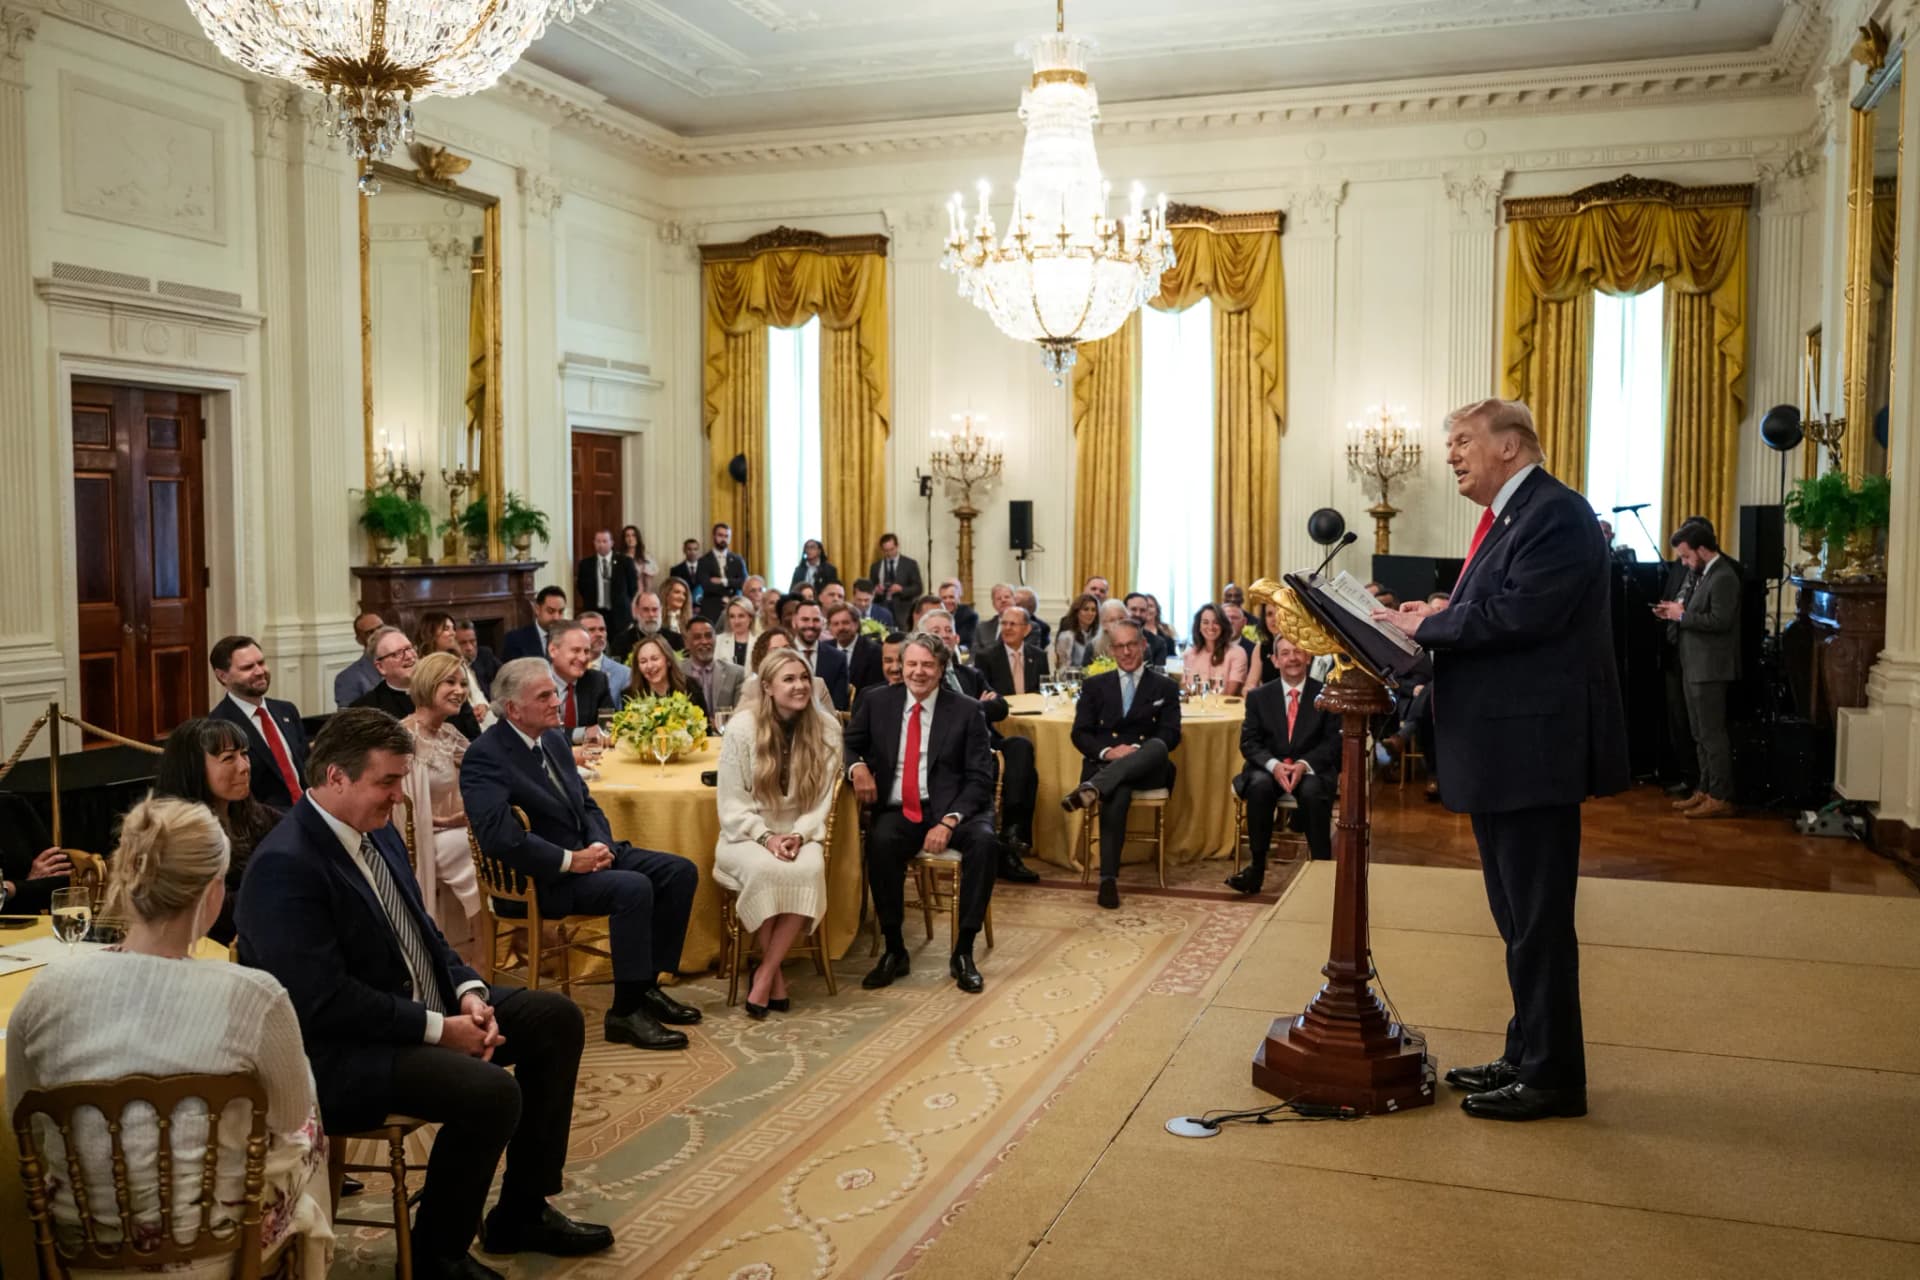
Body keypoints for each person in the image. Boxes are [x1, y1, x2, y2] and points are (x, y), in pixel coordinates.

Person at [239, 710, 612, 1279]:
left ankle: (522, 1212)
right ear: (336, 778)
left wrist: (466, 990)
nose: (398, 797)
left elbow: (422, 928)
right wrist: (440, 1031)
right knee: (489, 1093)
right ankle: (436, 1254)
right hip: (342, 1053)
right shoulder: (286, 865)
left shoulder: (377, 827)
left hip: (419, 1006)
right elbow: (324, 1001)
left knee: (555, 1019)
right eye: (387, 783)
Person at [1371, 397, 1628, 1123]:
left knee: (1538, 920)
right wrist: (1438, 614)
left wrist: (1429, 623)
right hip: (1506, 749)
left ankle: (1552, 1077)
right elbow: (1496, 606)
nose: (1451, 454)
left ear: (1511, 446)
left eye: (1462, 441)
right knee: (1519, 918)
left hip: (1532, 750)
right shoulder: (1515, 515)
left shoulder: (1555, 513)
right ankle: (1525, 1053)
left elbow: (1524, 614)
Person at [10, 796, 334, 1279]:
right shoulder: (254, 996)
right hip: (215, 1251)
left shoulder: (43, 994)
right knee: (307, 1133)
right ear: (212, 893)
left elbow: (21, 1115)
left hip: (82, 1249)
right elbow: (289, 1117)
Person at [459, 662, 702, 1054]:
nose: (557, 701)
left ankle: (645, 987)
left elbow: (587, 804)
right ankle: (624, 1013)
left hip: (587, 857)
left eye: (553, 692)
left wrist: (598, 846)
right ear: (513, 709)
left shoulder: (552, 739)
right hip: (540, 880)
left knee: (679, 872)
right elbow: (500, 839)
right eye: (544, 696)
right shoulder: (484, 756)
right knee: (634, 889)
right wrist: (572, 860)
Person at [845, 632, 998, 994]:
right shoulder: (876, 701)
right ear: (901, 665)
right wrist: (857, 769)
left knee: (985, 843)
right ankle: (895, 948)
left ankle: (963, 951)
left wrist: (949, 821)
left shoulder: (965, 709)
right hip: (900, 807)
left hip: (953, 806)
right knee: (880, 842)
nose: (918, 672)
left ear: (941, 668)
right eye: (911, 663)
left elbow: (980, 777)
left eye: (927, 665)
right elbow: (846, 744)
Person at [714, 649, 843, 1017]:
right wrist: (765, 836)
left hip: (803, 832)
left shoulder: (828, 729)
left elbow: (821, 804)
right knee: (765, 870)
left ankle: (766, 970)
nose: (800, 686)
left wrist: (799, 835)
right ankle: (775, 979)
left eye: (803, 678)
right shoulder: (742, 728)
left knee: (808, 870)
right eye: (789, 679)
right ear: (767, 687)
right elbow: (732, 803)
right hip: (745, 833)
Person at [1063, 619, 1182, 910]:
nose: (1126, 652)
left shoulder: (1165, 686)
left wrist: (1135, 751)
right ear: (1111, 651)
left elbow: (1171, 734)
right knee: (1117, 792)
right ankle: (1108, 881)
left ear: (1143, 645)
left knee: (1156, 745)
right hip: (1105, 763)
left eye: (1132, 645)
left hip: (1149, 766)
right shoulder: (1094, 685)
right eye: (1120, 646)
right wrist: (1107, 752)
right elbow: (1080, 732)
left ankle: (1092, 789)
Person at [921, 609, 1041, 882]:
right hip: (953, 751)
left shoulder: (968, 674)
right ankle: (1005, 849)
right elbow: (946, 717)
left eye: (946, 631)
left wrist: (980, 707)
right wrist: (978, 705)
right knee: (1019, 775)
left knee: (1021, 747)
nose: (942, 636)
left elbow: (999, 707)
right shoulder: (924, 678)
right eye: (934, 631)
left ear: (956, 637)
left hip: (987, 741)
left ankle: (1010, 835)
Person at [152, 717, 283, 944]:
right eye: (228, 758)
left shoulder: (255, 814)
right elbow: (218, 912)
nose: (244, 767)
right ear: (194, 769)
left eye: (244, 754)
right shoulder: (177, 833)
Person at [1227, 636, 1339, 893]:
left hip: (1310, 768)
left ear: (1308, 656)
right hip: (1269, 767)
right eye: (1285, 653)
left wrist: (1303, 764)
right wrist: (1274, 765)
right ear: (1275, 660)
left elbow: (1333, 743)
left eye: (1298, 651)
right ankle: (1256, 868)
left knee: (1312, 790)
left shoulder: (1326, 694)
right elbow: (1249, 743)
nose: (1292, 658)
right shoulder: (1258, 697)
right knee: (1259, 785)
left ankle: (1322, 867)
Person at [399, 652, 486, 965]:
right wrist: (447, 819)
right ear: (427, 684)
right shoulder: (405, 737)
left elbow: (485, 768)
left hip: (452, 829)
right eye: (450, 682)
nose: (460, 690)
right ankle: (481, 954)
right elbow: (400, 805)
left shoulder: (449, 734)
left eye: (463, 683)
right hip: (421, 838)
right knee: (475, 849)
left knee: (496, 838)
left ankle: (496, 941)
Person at [1654, 523, 1740, 819]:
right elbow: (1691, 608)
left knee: (1712, 734)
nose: (1684, 563)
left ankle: (1720, 795)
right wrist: (1673, 610)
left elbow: (1720, 621)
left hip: (1711, 668)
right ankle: (1704, 789)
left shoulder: (1724, 576)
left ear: (1703, 550)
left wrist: (1684, 616)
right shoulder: (1701, 573)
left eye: (1686, 556)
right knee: (1698, 733)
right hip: (1693, 665)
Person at [208, 633, 311, 810]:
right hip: (264, 824)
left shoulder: (286, 710)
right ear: (222, 676)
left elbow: (307, 768)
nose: (259, 671)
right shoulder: (218, 725)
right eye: (248, 667)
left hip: (309, 810)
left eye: (261, 663)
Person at [355, 626, 482, 740]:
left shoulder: (447, 688)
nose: (409, 656)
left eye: (409, 648)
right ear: (380, 667)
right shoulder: (368, 709)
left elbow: (475, 739)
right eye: (398, 653)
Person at [547, 621, 617, 749]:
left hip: (590, 758)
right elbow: (544, 733)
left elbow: (608, 725)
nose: (583, 658)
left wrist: (604, 730)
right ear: (553, 650)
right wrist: (583, 733)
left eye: (586, 651)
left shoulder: (597, 680)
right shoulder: (537, 683)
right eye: (576, 650)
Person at [0, 792, 70, 914]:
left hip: (26, 927)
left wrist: (12, 888)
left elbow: (59, 886)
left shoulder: (12, 805)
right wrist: (26, 886)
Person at [576, 530, 641, 656]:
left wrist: (622, 601)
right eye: (598, 541)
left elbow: (633, 587)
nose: (601, 544)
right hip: (595, 612)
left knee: (620, 647)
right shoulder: (586, 564)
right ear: (594, 543)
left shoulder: (625, 561)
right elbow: (582, 588)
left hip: (619, 614)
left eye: (605, 541)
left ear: (612, 543)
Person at [791, 600, 851, 710]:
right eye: (805, 620)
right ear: (794, 622)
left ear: (823, 623)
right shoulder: (782, 654)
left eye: (816, 620)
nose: (811, 625)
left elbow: (838, 705)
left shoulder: (838, 658)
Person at [630, 632, 708, 716]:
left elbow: (706, 726)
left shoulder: (691, 687)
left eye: (655, 659)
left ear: (668, 661)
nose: (649, 666)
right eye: (643, 661)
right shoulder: (630, 694)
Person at [977, 606, 1048, 697]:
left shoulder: (1039, 656)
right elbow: (984, 694)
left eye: (1013, 624)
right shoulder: (985, 657)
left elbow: (1045, 690)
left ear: (1026, 629)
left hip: (1035, 709)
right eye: (1004, 623)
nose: (1007, 628)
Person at [683, 615, 746, 715]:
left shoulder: (736, 674)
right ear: (687, 642)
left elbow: (741, 714)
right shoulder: (677, 671)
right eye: (697, 637)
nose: (704, 641)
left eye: (708, 636)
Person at [1183, 604, 1249, 696]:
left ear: (1223, 625)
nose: (1211, 627)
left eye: (1216, 622)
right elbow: (1187, 690)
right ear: (1199, 626)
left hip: (1225, 708)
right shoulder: (1190, 653)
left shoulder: (1237, 653)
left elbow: (1229, 694)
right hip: (1196, 708)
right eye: (1205, 622)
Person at [826, 603, 884, 693]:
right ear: (829, 627)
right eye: (835, 624)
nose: (840, 628)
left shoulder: (874, 652)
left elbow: (875, 689)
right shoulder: (825, 650)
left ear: (856, 624)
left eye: (845, 623)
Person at [696, 523, 749, 622]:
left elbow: (744, 582)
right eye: (720, 535)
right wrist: (731, 586)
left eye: (727, 536)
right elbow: (707, 585)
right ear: (714, 536)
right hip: (711, 608)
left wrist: (723, 581)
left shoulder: (738, 559)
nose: (724, 539)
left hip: (735, 605)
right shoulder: (703, 561)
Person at [578, 610, 630, 705]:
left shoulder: (624, 674)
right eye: (592, 630)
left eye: (602, 629)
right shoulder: (569, 670)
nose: (599, 634)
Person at [503, 587, 569, 662]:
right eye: (550, 611)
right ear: (537, 609)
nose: (556, 618)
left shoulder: (568, 637)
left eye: (560, 612)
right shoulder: (515, 639)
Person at [336, 610, 386, 708]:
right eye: (370, 632)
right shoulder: (348, 678)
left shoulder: (406, 663)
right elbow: (349, 719)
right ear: (359, 640)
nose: (378, 634)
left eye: (381, 628)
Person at [866, 533, 923, 611]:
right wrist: (875, 590)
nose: (889, 553)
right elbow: (870, 590)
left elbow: (918, 588)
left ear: (897, 546)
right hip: (882, 608)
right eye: (886, 551)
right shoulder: (875, 567)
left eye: (892, 549)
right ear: (882, 550)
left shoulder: (910, 564)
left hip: (904, 611)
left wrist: (901, 589)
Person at [455, 619, 502, 701]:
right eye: (463, 643)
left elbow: (504, 675)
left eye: (472, 641)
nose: (469, 648)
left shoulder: (485, 654)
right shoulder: (450, 663)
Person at [1053, 593, 1100, 671]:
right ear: (1077, 612)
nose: (1090, 613)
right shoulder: (1067, 636)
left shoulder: (1097, 635)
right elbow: (1063, 668)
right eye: (1086, 609)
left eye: (1093, 610)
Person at [1124, 594, 1173, 666]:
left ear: (1147, 613)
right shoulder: (1111, 638)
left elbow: (1158, 674)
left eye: (1142, 610)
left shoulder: (1158, 643)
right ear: (1124, 611)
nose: (1138, 614)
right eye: (1133, 609)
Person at [631, 590, 684, 656]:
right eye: (645, 610)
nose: (651, 614)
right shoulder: (622, 642)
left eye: (655, 609)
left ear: (661, 610)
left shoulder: (676, 640)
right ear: (637, 611)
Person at [620, 524, 658, 600]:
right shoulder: (619, 557)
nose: (630, 538)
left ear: (638, 537)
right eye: (627, 536)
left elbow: (648, 585)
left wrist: (645, 599)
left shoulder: (646, 558)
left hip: (640, 596)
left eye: (633, 535)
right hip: (623, 597)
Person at [973, 583, 1015, 651]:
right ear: (994, 604)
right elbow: (974, 656)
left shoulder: (1026, 627)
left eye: (1007, 597)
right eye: (999, 599)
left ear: (1014, 600)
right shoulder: (982, 628)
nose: (1003, 600)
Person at [936, 579, 979, 645]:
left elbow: (965, 643)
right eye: (944, 598)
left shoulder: (969, 616)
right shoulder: (935, 615)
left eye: (951, 597)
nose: (947, 601)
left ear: (958, 598)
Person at [660, 577, 697, 646]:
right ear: (666, 594)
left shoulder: (692, 622)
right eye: (677, 592)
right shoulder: (657, 619)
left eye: (684, 594)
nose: (682, 597)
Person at [722, 598, 758, 668]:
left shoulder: (760, 641)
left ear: (750, 618)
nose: (736, 621)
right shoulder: (718, 640)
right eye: (732, 616)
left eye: (741, 616)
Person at [1013, 588, 1051, 652]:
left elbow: (1035, 653)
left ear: (1029, 607)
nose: (1011, 607)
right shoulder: (1004, 622)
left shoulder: (1041, 627)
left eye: (1016, 605)